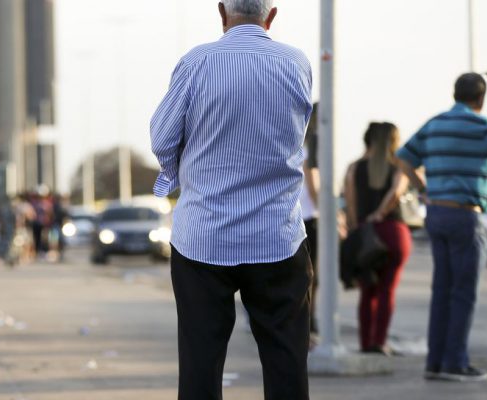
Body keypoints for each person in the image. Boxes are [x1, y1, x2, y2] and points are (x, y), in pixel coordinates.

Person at [150, 1, 313, 398]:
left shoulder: (197, 63)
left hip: (202, 237)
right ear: (271, 17)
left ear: (221, 12)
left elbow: (162, 139)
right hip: (278, 235)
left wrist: (182, 175)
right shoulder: (296, 63)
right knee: (286, 359)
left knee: (200, 361)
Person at [397, 73, 487, 382]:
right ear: (481, 99)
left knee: (442, 290)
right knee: (463, 293)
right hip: (466, 216)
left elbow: (403, 159)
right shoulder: (481, 127)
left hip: (437, 213)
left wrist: (424, 189)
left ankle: (435, 361)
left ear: (455, 94)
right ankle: (455, 362)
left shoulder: (435, 123)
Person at [344, 122, 412, 355]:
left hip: (365, 234)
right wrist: (382, 213)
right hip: (393, 232)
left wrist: (359, 227)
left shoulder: (354, 168)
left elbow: (351, 206)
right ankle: (380, 342)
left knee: (367, 291)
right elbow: (397, 192)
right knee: (387, 290)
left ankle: (366, 343)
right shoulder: (399, 167)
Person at [302, 104, 321, 344]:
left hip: (299, 216)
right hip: (309, 217)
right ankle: (308, 323)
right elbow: (313, 186)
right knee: (309, 276)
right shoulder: (311, 149)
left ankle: (309, 322)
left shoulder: (297, 144)